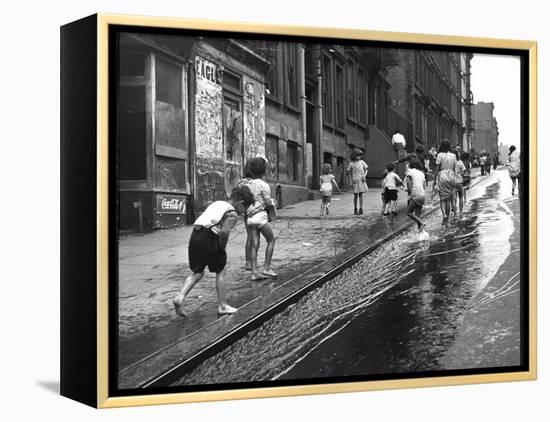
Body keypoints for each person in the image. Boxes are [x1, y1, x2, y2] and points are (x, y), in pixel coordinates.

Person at [173, 185, 255, 317]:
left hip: (195, 234)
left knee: (198, 272)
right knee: (221, 270)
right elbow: (224, 233)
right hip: (209, 237)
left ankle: (180, 297)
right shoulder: (232, 213)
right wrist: (221, 250)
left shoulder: (218, 203)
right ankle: (222, 306)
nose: (244, 212)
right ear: (240, 203)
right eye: (245, 208)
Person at [246, 157, 278, 280]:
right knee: (271, 240)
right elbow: (268, 203)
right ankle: (267, 268)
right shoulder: (264, 185)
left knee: (254, 244)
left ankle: (254, 272)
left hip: (250, 218)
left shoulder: (247, 184)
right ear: (264, 171)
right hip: (260, 218)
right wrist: (272, 203)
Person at [432, 139, 457, 227]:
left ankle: (444, 215)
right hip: (451, 175)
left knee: (443, 198)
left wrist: (434, 180)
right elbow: (455, 168)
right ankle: (447, 220)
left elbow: (437, 168)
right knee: (449, 198)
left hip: (442, 176)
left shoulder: (440, 155)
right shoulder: (453, 155)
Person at [405, 157, 427, 233]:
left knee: (409, 212)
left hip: (415, 193)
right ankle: (421, 233)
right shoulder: (422, 173)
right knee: (417, 215)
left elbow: (408, 183)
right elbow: (424, 186)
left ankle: (421, 222)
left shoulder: (410, 171)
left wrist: (410, 194)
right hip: (422, 194)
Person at [347, 148, 369, 215]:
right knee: (355, 195)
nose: (359, 157)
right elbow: (348, 171)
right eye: (357, 155)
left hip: (361, 180)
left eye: (360, 155)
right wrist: (349, 177)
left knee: (361, 195)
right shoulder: (351, 163)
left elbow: (366, 169)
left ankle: (361, 208)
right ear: (354, 156)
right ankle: (355, 208)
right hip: (355, 180)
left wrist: (364, 175)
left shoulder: (362, 162)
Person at [453, 149, 467, 216]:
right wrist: (461, 173)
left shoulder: (451, 162)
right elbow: (464, 170)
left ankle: (455, 214)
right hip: (460, 182)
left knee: (454, 199)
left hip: (452, 182)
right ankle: (460, 212)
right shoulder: (460, 162)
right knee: (461, 197)